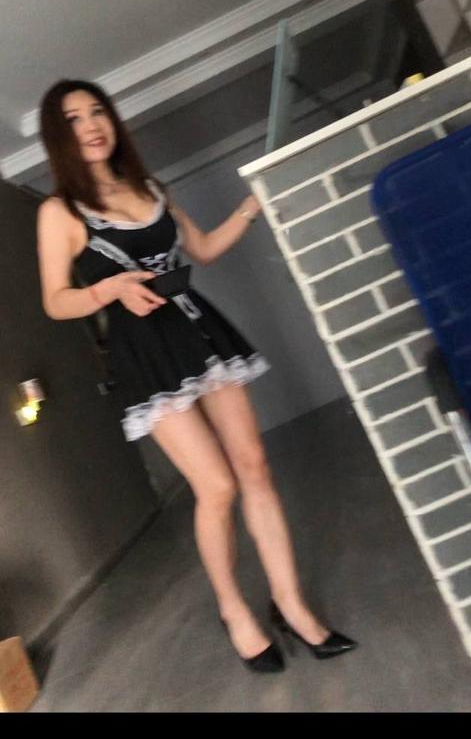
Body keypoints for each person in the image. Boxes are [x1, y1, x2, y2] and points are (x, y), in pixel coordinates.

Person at [36, 79, 357, 673]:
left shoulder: (150, 187)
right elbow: (56, 300)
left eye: (97, 111)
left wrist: (252, 204)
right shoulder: (59, 211)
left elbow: (203, 249)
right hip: (144, 351)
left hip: (198, 329)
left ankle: (291, 604)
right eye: (74, 119)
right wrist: (109, 289)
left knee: (254, 467)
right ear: (60, 137)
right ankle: (234, 610)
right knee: (217, 487)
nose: (91, 125)